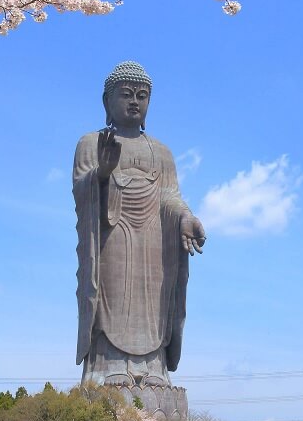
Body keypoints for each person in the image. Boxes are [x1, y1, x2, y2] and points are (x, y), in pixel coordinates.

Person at [74, 61, 206, 391]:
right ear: (107, 101)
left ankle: (153, 367)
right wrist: (102, 174)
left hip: (154, 239)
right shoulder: (91, 143)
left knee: (155, 300)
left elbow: (170, 196)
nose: (135, 101)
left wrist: (185, 217)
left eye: (142, 95)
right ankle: (109, 365)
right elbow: (81, 187)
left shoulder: (162, 152)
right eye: (126, 94)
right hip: (112, 234)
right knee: (112, 295)